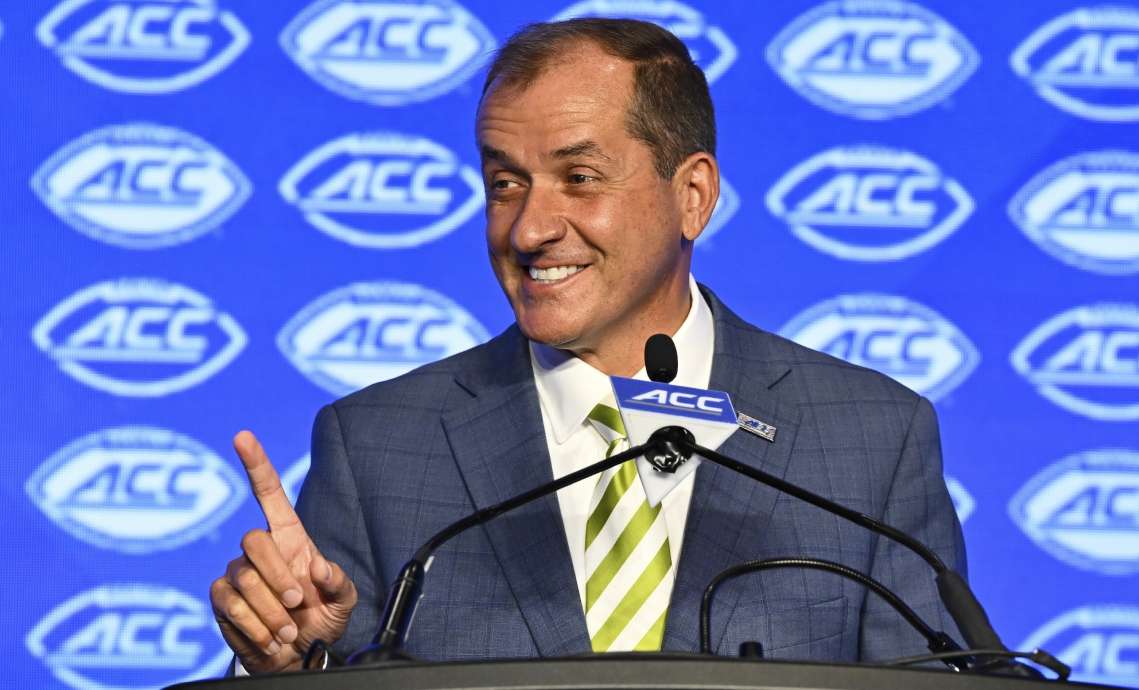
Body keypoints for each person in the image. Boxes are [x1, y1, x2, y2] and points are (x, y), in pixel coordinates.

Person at [210, 18, 967, 674]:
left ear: (692, 195)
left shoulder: (870, 438)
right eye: (506, 183)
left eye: (578, 177)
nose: (529, 229)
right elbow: (319, 665)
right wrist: (292, 665)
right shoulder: (378, 446)